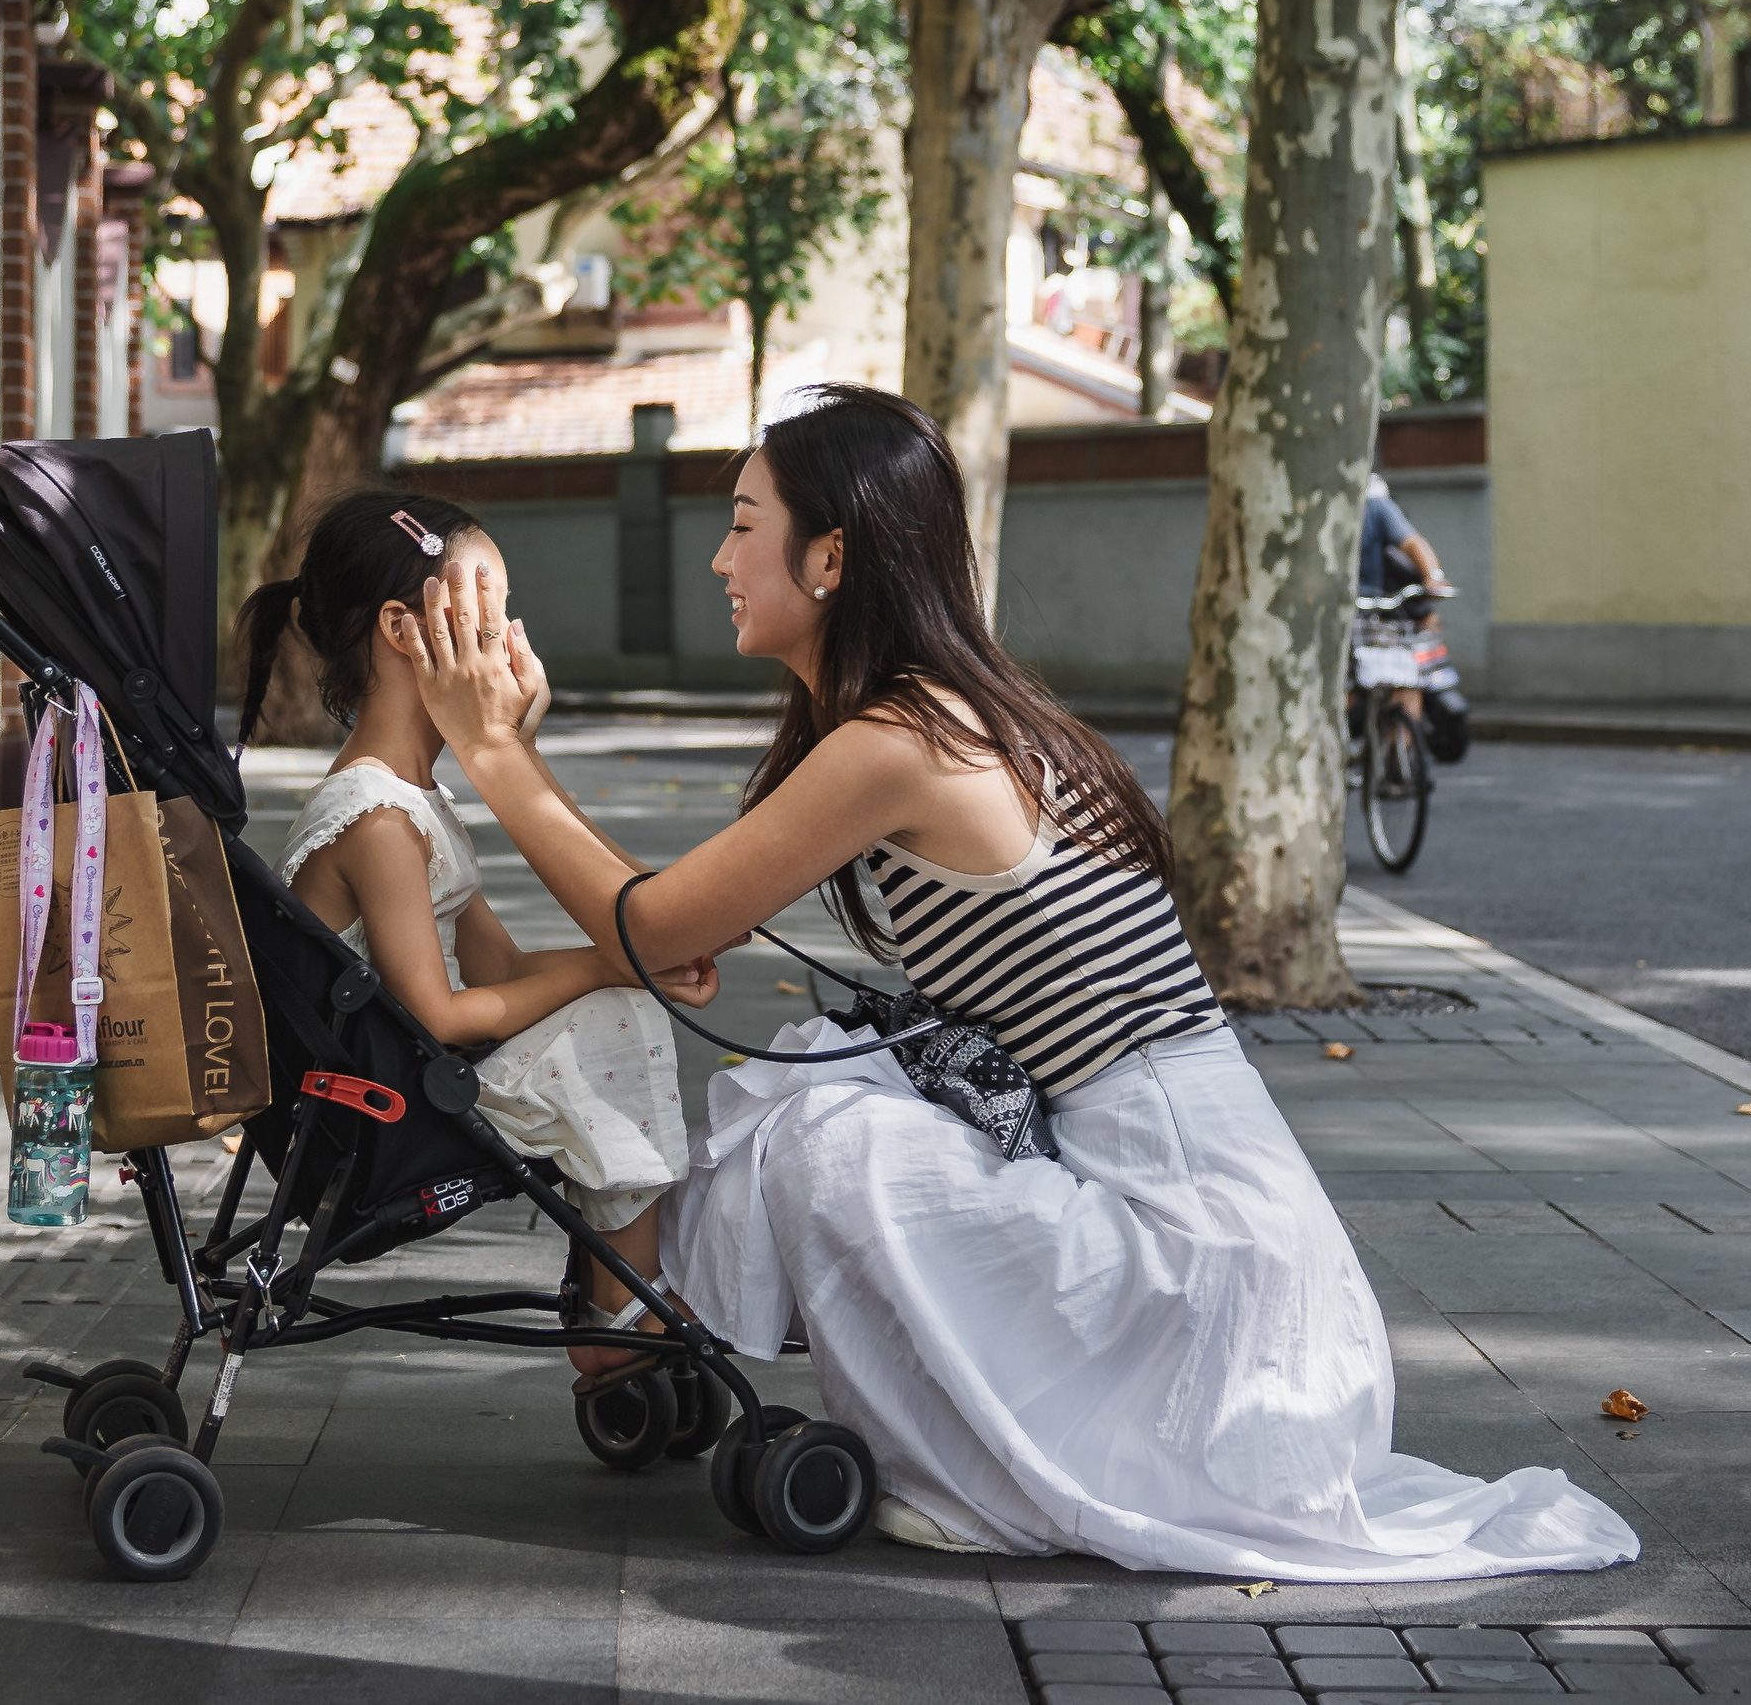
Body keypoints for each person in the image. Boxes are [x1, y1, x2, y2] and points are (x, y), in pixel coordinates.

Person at [395, 384, 1638, 1581]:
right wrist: (536, 786)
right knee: (822, 1078)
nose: (720, 558)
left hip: (1198, 1278)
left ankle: (678, 1337)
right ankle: (643, 1318)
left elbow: (652, 923)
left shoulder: (902, 740)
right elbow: (657, 928)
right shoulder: (938, 714)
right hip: (1216, 1244)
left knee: (828, 1122)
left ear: (830, 557)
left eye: (740, 523)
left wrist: (493, 749)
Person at [246, 489, 714, 1382]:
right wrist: (611, 967)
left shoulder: (417, 795)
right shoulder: (378, 817)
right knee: (617, 1018)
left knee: (615, 1002)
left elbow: (495, 965)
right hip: (387, 1108)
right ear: (403, 626)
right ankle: (620, 1304)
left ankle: (619, 1290)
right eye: (490, 606)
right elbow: (446, 1012)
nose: (508, 633)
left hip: (416, 1074)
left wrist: (625, 960)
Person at [1360, 470, 1471, 761]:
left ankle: (1398, 757)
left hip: (1373, 613)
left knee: (1407, 678)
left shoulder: (1374, 505)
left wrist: (1432, 577)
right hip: (1339, 615)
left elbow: (1413, 543)